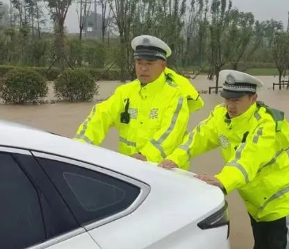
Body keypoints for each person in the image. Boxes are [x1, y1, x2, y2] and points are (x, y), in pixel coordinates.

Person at [160, 70, 289, 249]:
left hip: (278, 201)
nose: (230, 105)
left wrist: (222, 180)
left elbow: (247, 158)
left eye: (237, 100)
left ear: (253, 99)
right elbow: (197, 137)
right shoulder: (221, 116)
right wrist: (174, 159)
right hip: (254, 202)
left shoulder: (265, 125)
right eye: (227, 99)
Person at [73, 35, 201, 163]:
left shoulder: (175, 95)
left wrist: (145, 155)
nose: (143, 68)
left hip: (166, 172)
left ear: (163, 66)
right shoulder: (124, 92)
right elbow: (101, 115)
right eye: (139, 63)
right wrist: (80, 145)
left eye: (149, 64)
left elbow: (171, 133)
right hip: (131, 171)